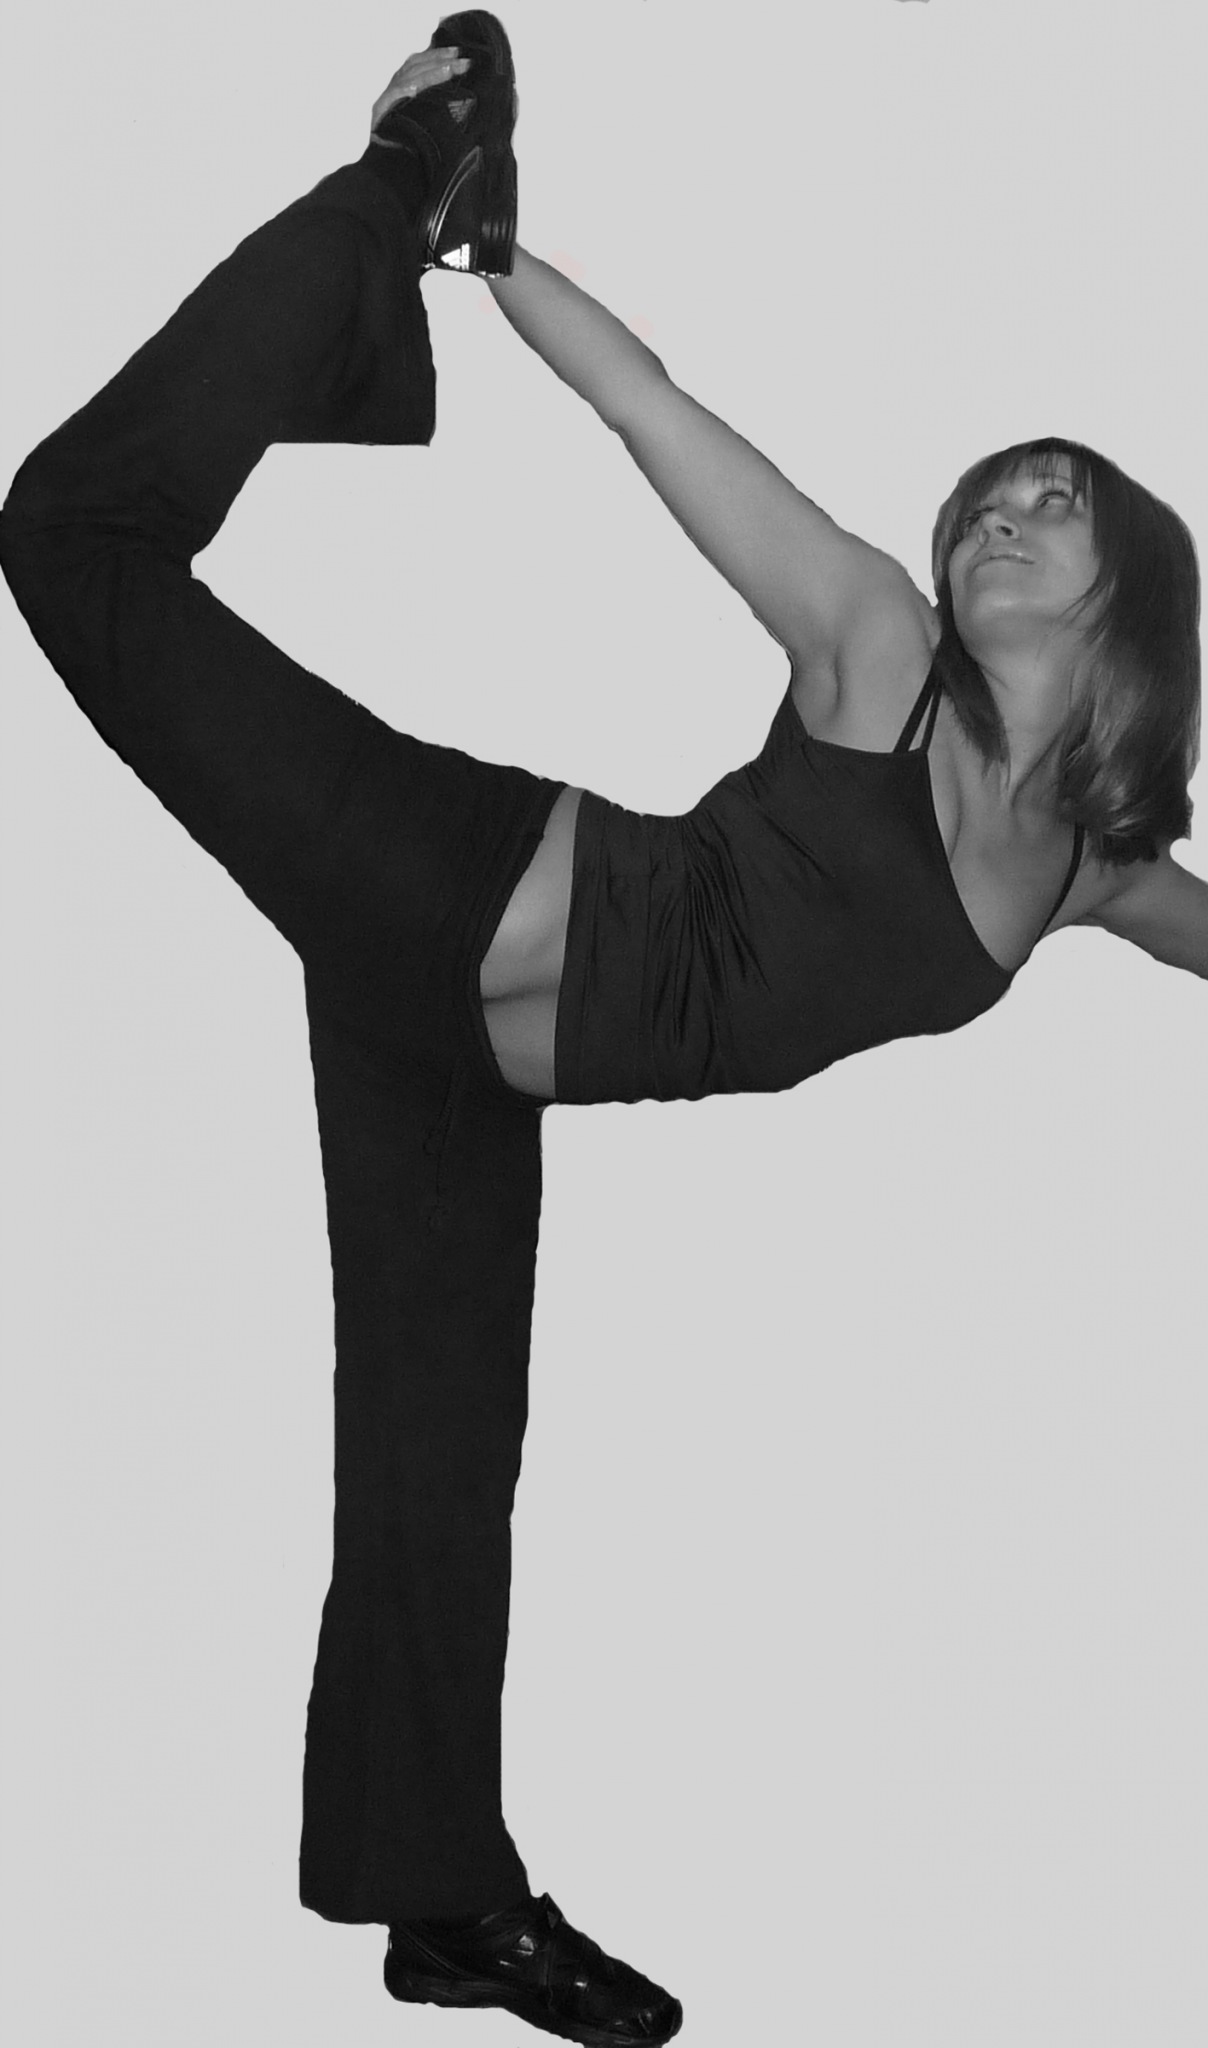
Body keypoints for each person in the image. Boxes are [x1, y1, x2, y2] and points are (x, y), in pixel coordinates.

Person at [2, 11, 1204, 2047]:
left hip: (464, 1063)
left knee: (435, 1471)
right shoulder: (881, 650)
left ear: (1136, 597)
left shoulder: (1086, 868)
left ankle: (442, 1905)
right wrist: (490, 247)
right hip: (445, 882)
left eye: (1054, 501)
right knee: (70, 538)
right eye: (990, 493)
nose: (1001, 511)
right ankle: (400, 189)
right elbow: (654, 409)